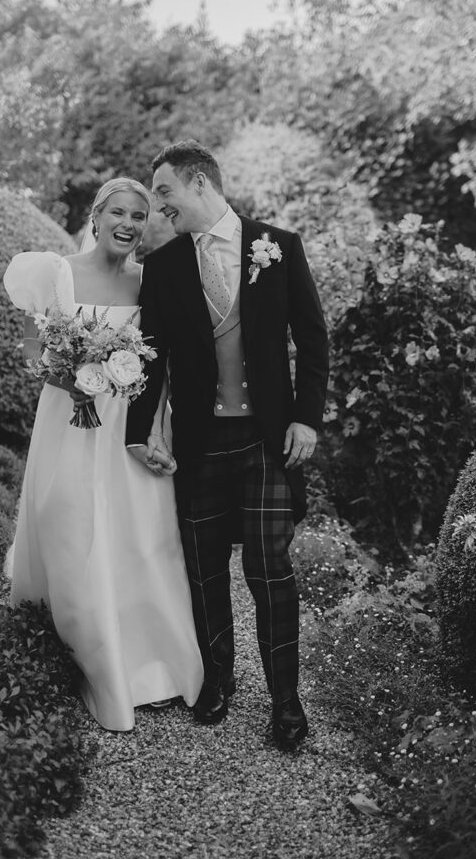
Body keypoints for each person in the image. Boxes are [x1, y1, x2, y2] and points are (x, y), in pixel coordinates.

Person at [126, 141, 329, 748]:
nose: (159, 207)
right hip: (200, 441)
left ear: (199, 182)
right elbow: (151, 356)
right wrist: (139, 432)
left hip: (267, 438)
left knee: (270, 568)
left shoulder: (279, 245)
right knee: (204, 568)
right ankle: (218, 680)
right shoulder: (164, 266)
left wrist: (307, 419)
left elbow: (313, 339)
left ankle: (286, 701)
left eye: (164, 192)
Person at [3, 177, 203, 731]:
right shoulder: (57, 273)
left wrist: (156, 425)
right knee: (69, 525)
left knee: (141, 535)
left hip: (128, 424)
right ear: (96, 217)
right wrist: (66, 374)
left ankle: (152, 664)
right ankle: (79, 653)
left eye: (139, 216)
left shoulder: (149, 280)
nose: (129, 224)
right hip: (69, 419)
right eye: (118, 212)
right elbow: (31, 348)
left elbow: (162, 358)